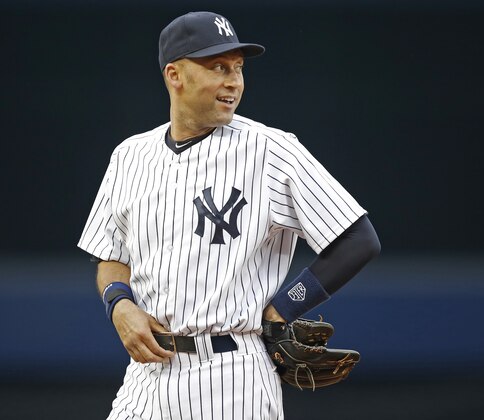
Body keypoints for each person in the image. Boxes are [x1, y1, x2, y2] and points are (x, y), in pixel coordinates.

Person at [78, 11, 380, 420]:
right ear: (174, 75)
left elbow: (358, 239)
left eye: (237, 68)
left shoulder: (271, 150)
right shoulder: (130, 156)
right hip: (146, 376)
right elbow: (109, 254)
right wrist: (120, 306)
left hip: (232, 375)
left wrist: (282, 309)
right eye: (217, 67)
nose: (233, 81)